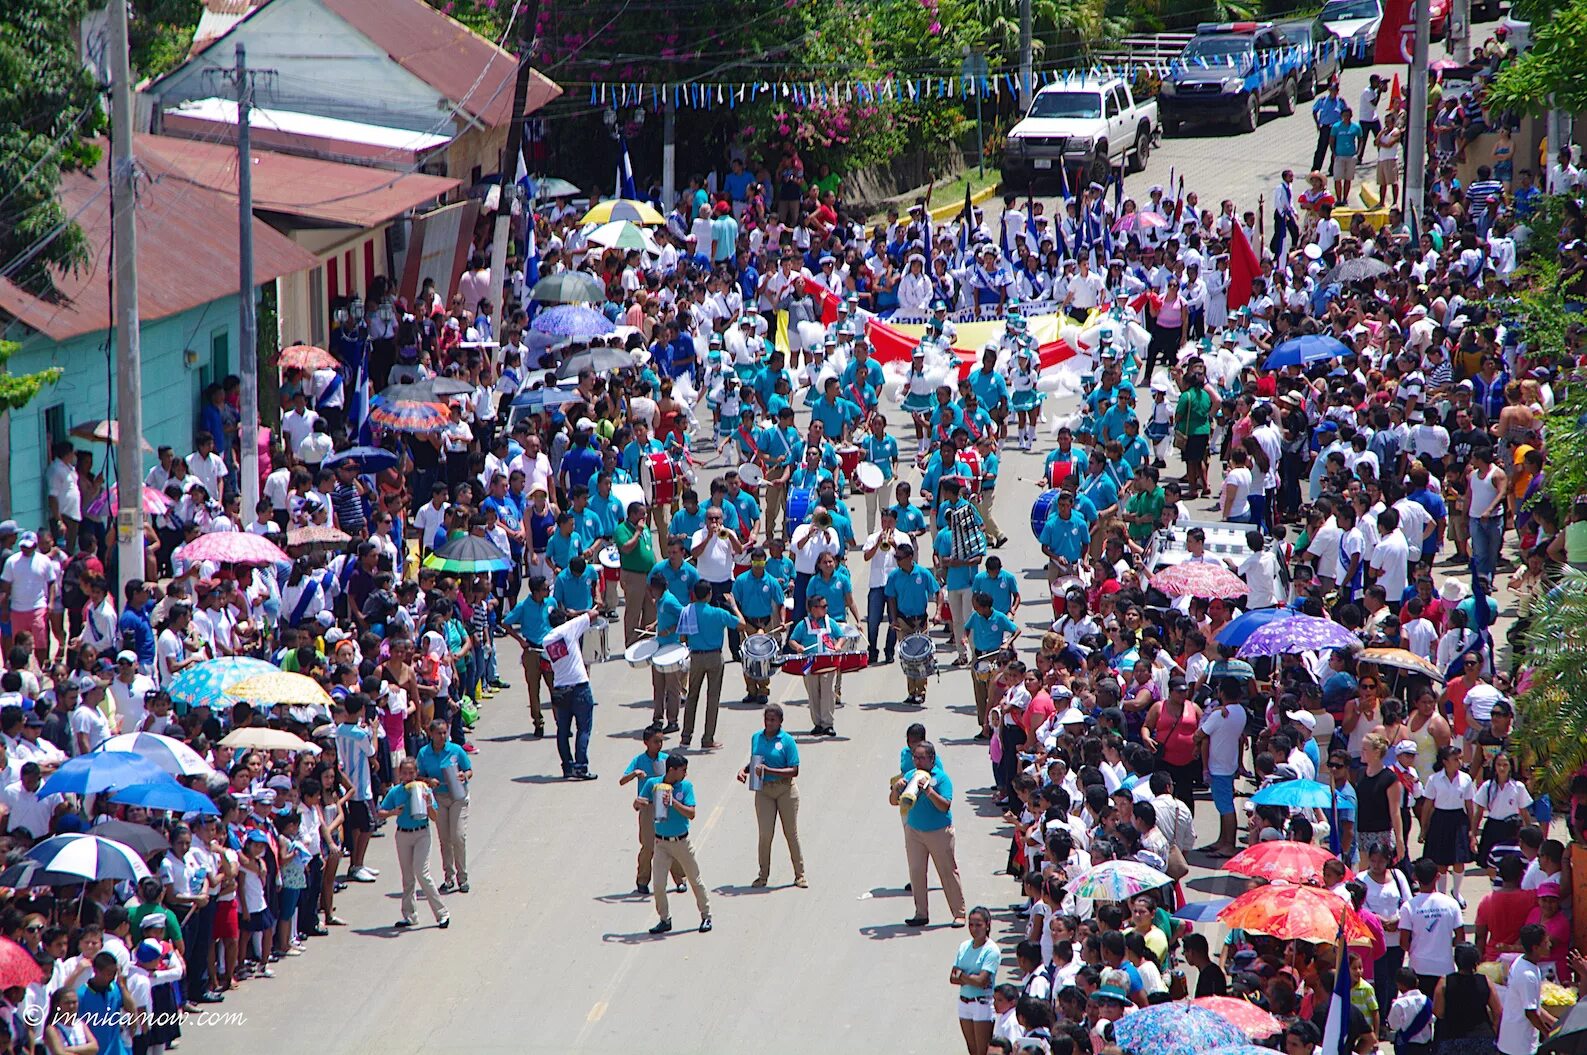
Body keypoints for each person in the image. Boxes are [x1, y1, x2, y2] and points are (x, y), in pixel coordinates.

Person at [890, 740, 965, 928]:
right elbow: (893, 801)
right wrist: (896, 788)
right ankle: (920, 913)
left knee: (947, 872)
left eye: (922, 758)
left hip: (939, 832)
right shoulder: (910, 775)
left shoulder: (941, 778)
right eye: (915, 757)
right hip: (915, 831)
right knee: (916, 872)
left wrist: (929, 790)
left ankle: (959, 913)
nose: (918, 762)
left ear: (932, 759)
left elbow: (944, 805)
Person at [635, 753, 712, 934]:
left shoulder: (685, 786)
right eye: (683, 770)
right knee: (659, 885)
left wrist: (673, 802)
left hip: (681, 842)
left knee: (694, 879)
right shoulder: (653, 784)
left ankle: (706, 916)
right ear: (672, 770)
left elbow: (691, 813)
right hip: (661, 842)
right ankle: (665, 919)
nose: (685, 773)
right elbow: (639, 802)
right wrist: (639, 802)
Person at [375, 757, 449, 930]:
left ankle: (442, 913)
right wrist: (393, 812)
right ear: (400, 774)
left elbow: (434, 817)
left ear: (416, 773)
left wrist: (429, 803)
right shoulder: (396, 792)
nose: (408, 776)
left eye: (411, 772)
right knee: (407, 877)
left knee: (422, 872)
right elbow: (380, 812)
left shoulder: (424, 790)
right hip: (403, 834)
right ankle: (410, 915)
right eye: (405, 773)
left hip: (421, 833)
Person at [737, 704, 805, 888]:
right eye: (767, 719)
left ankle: (800, 874)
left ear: (780, 722)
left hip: (785, 790)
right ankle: (763, 875)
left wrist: (770, 770)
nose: (769, 723)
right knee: (765, 834)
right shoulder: (756, 738)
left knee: (790, 833)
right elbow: (756, 762)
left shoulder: (787, 741)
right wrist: (744, 771)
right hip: (764, 790)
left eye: (773, 720)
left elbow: (794, 770)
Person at [621, 728, 685, 896]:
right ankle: (642, 881)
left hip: (665, 802)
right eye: (656, 741)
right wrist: (634, 774)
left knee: (671, 843)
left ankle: (680, 879)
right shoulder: (639, 760)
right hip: (647, 806)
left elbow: (679, 777)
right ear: (646, 743)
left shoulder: (666, 760)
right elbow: (622, 780)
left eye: (661, 741)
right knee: (648, 846)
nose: (659, 745)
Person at [541, 605, 601, 780]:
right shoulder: (570, 628)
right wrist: (576, 614)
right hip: (579, 686)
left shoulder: (546, 641)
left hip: (560, 688)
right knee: (583, 729)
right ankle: (581, 767)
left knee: (562, 730)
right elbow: (594, 614)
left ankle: (567, 767)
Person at [415, 718, 472, 895]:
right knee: (444, 839)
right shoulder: (424, 753)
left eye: (444, 732)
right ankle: (449, 877)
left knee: (458, 836)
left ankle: (462, 878)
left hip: (457, 796)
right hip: (438, 797)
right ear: (430, 734)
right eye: (438, 733)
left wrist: (464, 775)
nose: (442, 736)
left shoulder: (455, 750)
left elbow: (469, 769)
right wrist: (427, 781)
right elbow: (417, 776)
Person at [1399, 857, 1464, 995]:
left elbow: (1404, 943)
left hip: (1418, 967)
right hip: (1445, 968)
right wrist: (1446, 942)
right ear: (1438, 876)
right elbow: (1460, 938)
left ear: (1415, 877)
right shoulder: (1451, 904)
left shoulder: (1408, 907)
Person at [1497, 924, 1554, 1055]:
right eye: (1545, 942)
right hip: (1519, 1046)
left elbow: (1533, 1005)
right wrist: (1548, 1034)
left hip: (1516, 1041)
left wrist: (1553, 1021)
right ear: (1535, 948)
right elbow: (1530, 1013)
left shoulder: (1522, 962)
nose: (1549, 944)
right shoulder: (1527, 975)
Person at [951, 906, 1000, 1055]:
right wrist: (968, 978)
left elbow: (981, 981)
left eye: (978, 925)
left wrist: (962, 976)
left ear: (987, 925)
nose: (974, 929)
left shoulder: (991, 950)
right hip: (964, 1003)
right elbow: (952, 977)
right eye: (971, 925)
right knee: (972, 1050)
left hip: (982, 1004)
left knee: (982, 1051)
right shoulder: (964, 946)